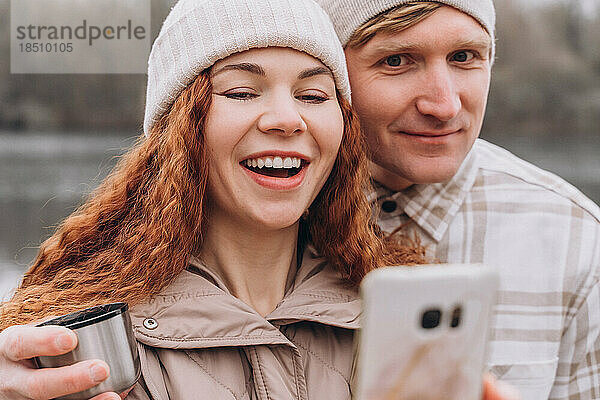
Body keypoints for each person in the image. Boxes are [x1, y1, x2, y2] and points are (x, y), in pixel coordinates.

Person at [315, 0, 600, 398]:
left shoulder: (578, 238)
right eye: (397, 61)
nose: (444, 105)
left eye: (464, 57)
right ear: (330, 74)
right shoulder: (259, 217)